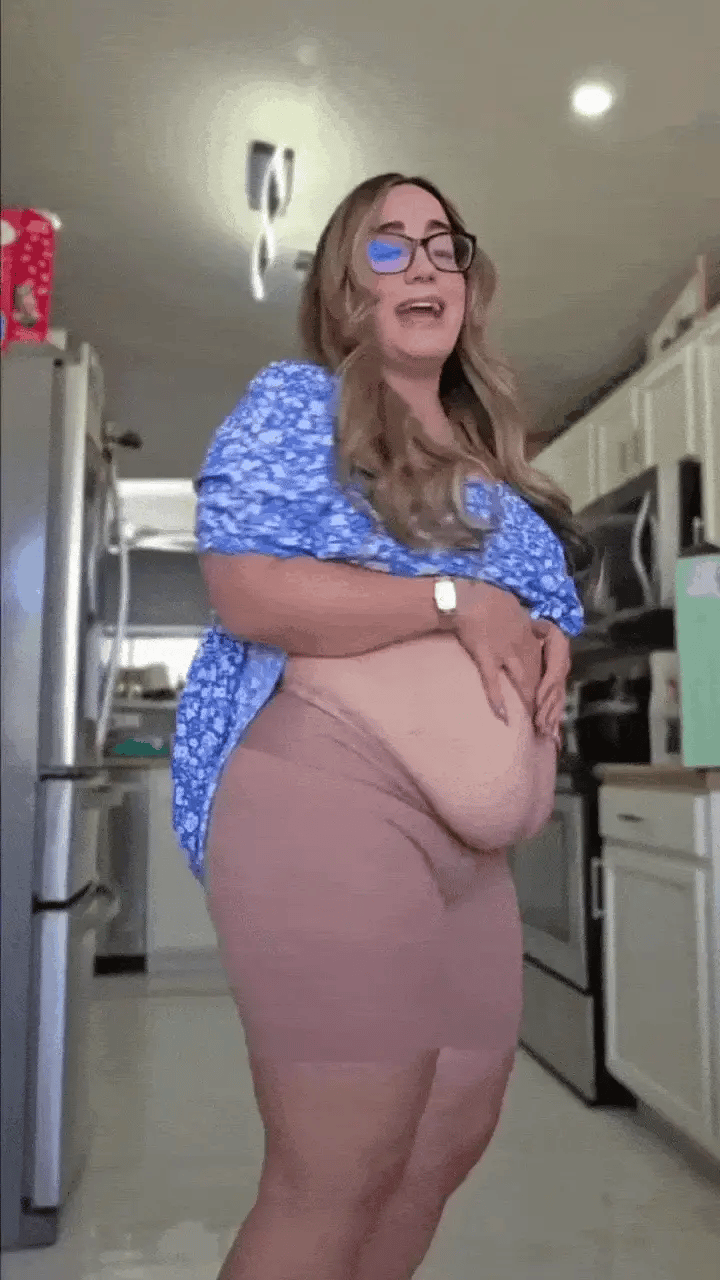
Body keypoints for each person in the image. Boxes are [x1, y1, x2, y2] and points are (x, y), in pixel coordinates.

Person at [172, 172, 586, 1280]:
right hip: (331, 800)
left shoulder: (494, 467)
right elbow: (251, 592)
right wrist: (453, 601)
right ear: (345, 290)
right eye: (389, 245)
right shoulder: (299, 405)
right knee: (335, 1168)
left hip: (472, 859)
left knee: (439, 1149)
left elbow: (536, 610)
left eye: (443, 245)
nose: (425, 264)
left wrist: (553, 639)